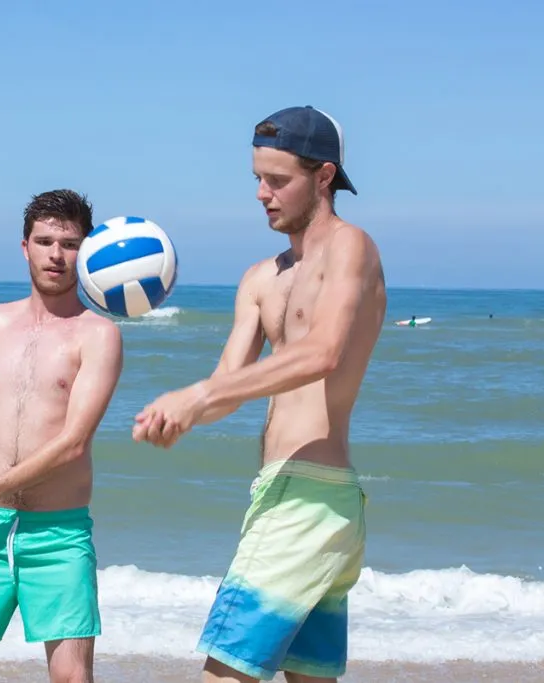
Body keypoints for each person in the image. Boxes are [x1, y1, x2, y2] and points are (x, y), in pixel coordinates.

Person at [133, 106, 386, 683]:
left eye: (277, 181)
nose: (262, 194)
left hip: (310, 496)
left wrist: (197, 396)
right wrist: (181, 414)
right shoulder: (258, 279)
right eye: (257, 180)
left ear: (324, 177)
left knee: (225, 673)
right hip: (283, 495)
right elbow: (227, 391)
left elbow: (323, 353)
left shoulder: (352, 249)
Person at [0, 189, 124, 683]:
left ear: (88, 251)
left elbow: (74, 442)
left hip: (58, 534)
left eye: (70, 243)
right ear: (25, 247)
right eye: (45, 241)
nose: (56, 255)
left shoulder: (98, 334)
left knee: (72, 679)